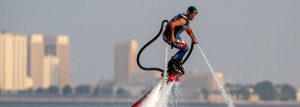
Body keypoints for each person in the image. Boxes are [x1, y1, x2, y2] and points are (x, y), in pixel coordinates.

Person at [163, 6, 198, 75]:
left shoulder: (186, 20)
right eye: (191, 15)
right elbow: (171, 24)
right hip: (168, 36)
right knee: (185, 48)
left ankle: (177, 63)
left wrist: (193, 38)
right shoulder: (183, 20)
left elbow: (188, 29)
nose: (193, 17)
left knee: (185, 47)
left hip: (174, 36)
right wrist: (172, 37)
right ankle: (171, 64)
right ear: (188, 13)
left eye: (194, 15)